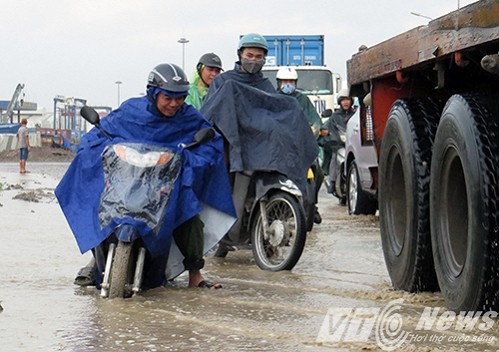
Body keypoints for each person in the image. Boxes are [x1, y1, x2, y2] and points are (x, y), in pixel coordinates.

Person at [58, 63, 236, 290]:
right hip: (126, 182)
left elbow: (210, 146)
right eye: (168, 97)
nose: (174, 104)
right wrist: (97, 151)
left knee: (189, 212)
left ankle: (195, 274)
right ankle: (95, 261)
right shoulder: (131, 112)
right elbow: (98, 134)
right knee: (97, 204)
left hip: (166, 187)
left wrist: (189, 160)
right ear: (153, 93)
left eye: (179, 98)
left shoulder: (189, 118)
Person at [201, 34, 319, 257]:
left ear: (265, 59)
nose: (253, 60)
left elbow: (275, 113)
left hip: (261, 145)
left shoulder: (265, 84)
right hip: (233, 142)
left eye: (258, 56)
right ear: (240, 55)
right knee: (215, 171)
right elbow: (212, 112)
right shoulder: (225, 82)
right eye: (249, 55)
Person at [276, 66, 323, 224]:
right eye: (285, 81)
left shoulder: (302, 99)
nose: (288, 84)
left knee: (319, 172)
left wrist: (316, 129)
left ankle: (313, 205)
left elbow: (314, 119)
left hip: (301, 145)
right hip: (281, 146)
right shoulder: (272, 98)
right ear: (279, 82)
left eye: (291, 81)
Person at [321, 89, 355, 194]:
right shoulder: (334, 117)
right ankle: (332, 181)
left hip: (353, 145)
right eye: (343, 100)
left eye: (348, 100)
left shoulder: (355, 115)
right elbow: (326, 126)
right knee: (335, 156)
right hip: (339, 145)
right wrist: (324, 131)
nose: (346, 102)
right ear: (340, 102)